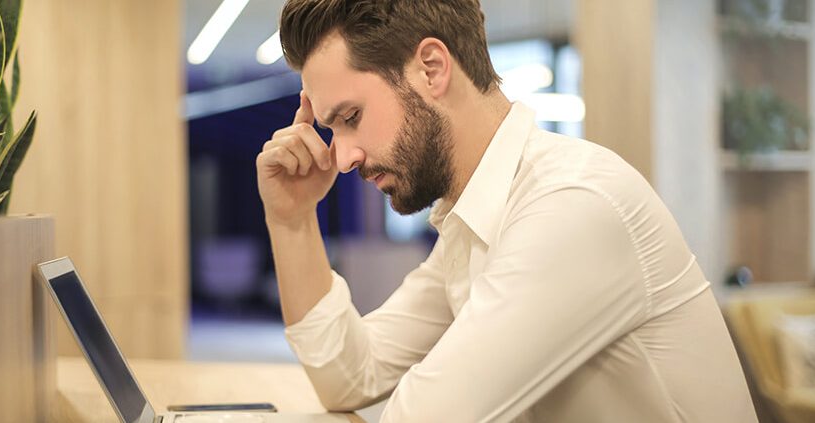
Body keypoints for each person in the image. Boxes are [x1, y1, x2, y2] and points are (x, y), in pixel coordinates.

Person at [255, 1, 758, 421]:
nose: (341, 158)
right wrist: (293, 219)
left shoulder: (571, 205)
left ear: (431, 68)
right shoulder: (472, 219)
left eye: (350, 118)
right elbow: (350, 377)